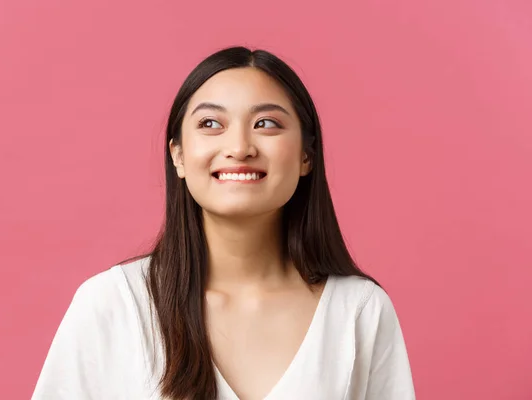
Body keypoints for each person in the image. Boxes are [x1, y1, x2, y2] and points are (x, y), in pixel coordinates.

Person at [32, 46, 415, 400]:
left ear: (306, 156)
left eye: (266, 123)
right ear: (178, 156)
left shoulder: (359, 312)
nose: (239, 147)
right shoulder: (112, 304)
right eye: (212, 123)